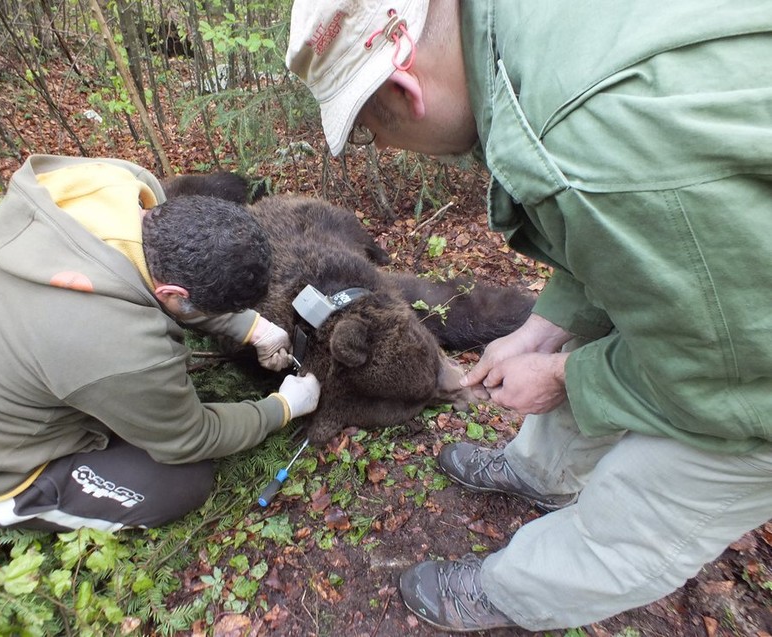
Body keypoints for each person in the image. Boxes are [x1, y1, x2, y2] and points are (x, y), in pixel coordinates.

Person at [287, 1, 772, 632]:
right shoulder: (531, 43)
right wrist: (541, 330)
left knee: (646, 504)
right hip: (736, 295)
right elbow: (634, 240)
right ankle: (540, 471)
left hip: (749, 370)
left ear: (406, 88)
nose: (379, 144)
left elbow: (736, 374)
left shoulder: (587, 141)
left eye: (368, 127)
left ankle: (512, 592)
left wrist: (567, 377)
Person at [0, 155, 320, 532]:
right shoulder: (116, 343)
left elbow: (170, 287)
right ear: (174, 291)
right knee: (180, 484)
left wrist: (255, 329)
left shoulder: (120, 189)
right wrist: (281, 408)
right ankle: (13, 503)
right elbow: (189, 438)